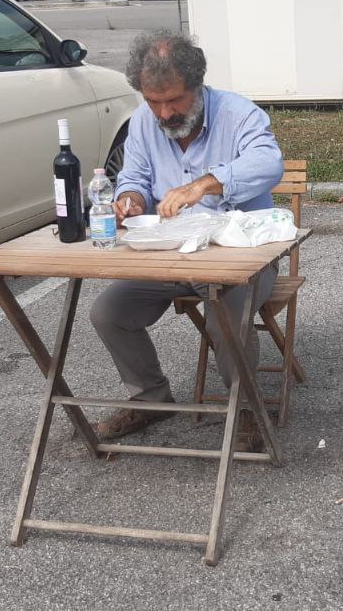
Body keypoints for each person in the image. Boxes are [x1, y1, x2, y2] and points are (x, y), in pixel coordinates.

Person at [89, 30, 284, 449]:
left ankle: (246, 407)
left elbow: (269, 164)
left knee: (225, 316)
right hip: (170, 255)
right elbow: (135, 176)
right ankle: (149, 399)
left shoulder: (239, 114)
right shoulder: (143, 121)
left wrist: (206, 184)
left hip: (240, 256)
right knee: (108, 313)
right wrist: (129, 198)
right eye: (153, 101)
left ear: (197, 86)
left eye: (174, 100)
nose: (164, 113)